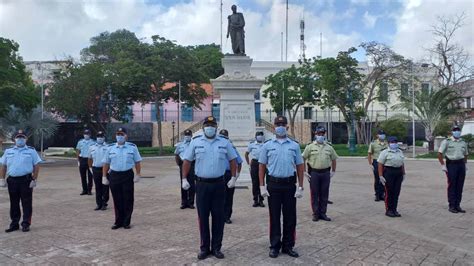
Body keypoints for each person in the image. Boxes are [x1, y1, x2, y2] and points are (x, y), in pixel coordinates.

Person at [181, 116, 237, 260]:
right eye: (207, 125)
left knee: (218, 218)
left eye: (212, 125)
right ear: (203, 127)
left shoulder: (224, 143)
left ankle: (217, 247)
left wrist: (233, 177)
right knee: (203, 217)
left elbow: (233, 160)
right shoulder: (196, 142)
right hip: (202, 185)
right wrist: (184, 179)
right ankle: (204, 248)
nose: (210, 127)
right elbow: (187, 161)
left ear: (216, 127)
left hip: (219, 185)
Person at [259, 115, 304, 258]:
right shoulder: (267, 145)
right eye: (278, 124)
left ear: (287, 127)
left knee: (290, 217)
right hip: (273, 185)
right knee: (274, 217)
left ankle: (288, 245)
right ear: (274, 127)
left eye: (283, 124)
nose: (280, 126)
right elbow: (261, 166)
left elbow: (300, 166)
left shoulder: (294, 145)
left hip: (290, 185)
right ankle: (274, 246)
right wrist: (262, 186)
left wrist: (301, 186)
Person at [0, 130, 41, 232]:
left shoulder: (31, 151)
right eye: (18, 137)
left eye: (22, 137)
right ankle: (14, 224)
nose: (20, 139)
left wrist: (34, 179)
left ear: (26, 139)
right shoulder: (8, 151)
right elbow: (3, 165)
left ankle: (26, 223)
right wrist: (2, 179)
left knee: (26, 203)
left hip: (26, 180)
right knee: (14, 203)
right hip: (12, 180)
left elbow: (36, 165)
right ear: (14, 139)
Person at [102, 127, 142, 230]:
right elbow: (106, 163)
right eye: (118, 134)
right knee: (117, 199)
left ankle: (126, 221)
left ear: (126, 136)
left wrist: (138, 174)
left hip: (127, 175)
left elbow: (137, 162)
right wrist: (104, 176)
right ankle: (118, 221)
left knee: (128, 198)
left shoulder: (132, 147)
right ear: (115, 135)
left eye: (122, 134)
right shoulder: (110, 148)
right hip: (114, 175)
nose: (119, 136)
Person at [302, 126, 338, 222]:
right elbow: (303, 158)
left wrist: (333, 171)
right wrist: (304, 171)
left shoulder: (329, 147)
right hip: (314, 173)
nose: (320, 136)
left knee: (324, 194)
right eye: (319, 134)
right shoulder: (310, 147)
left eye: (322, 134)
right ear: (315, 134)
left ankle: (323, 213)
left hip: (325, 173)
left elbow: (334, 159)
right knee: (314, 194)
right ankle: (315, 213)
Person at [438, 125, 468, 213]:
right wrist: (443, 165)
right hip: (451, 165)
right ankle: (451, 205)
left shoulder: (463, 142)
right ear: (452, 132)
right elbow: (440, 154)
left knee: (460, 185)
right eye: (455, 130)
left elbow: (466, 154)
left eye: (458, 130)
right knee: (452, 185)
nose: (457, 132)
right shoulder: (447, 142)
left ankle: (457, 205)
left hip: (461, 164)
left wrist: (465, 164)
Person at [218, 129, 242, 224]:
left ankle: (227, 216)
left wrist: (236, 175)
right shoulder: (216, 147)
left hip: (228, 174)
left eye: (225, 137)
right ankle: (219, 216)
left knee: (228, 197)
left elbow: (239, 162)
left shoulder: (232, 148)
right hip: (218, 175)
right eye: (221, 137)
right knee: (218, 197)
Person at [377, 136, 405, 218]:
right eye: (392, 142)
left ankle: (394, 209)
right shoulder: (384, 152)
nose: (394, 144)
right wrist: (381, 175)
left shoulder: (399, 151)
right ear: (388, 143)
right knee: (389, 192)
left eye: (395, 142)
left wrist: (403, 173)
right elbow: (380, 164)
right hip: (389, 172)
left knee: (396, 192)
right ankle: (388, 210)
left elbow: (402, 163)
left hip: (398, 172)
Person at [88, 131, 110, 211]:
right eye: (98, 136)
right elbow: (89, 159)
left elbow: (110, 159)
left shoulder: (108, 147)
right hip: (96, 169)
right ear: (96, 137)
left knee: (105, 187)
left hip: (105, 169)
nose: (100, 138)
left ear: (104, 137)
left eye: (101, 136)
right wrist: (90, 168)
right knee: (97, 187)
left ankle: (104, 203)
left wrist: (110, 169)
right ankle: (99, 204)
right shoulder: (92, 147)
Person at [174, 130, 195, 209]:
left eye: (189, 134)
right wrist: (179, 164)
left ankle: (191, 202)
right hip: (183, 164)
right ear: (184, 135)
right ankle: (184, 202)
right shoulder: (180, 145)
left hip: (192, 164)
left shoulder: (194, 144)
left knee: (192, 184)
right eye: (186, 135)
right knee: (183, 182)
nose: (187, 136)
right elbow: (176, 154)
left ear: (191, 135)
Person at [245, 131, 265, 207]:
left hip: (262, 164)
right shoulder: (252, 144)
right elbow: (246, 154)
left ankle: (261, 200)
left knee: (262, 181)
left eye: (261, 135)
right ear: (256, 136)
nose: (260, 136)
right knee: (255, 182)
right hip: (254, 163)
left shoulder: (265, 145)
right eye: (258, 135)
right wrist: (248, 163)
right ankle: (255, 200)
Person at [368, 129, 388, 202]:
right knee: (377, 179)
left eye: (383, 134)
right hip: (376, 162)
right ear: (377, 135)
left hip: (385, 163)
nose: (382, 135)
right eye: (380, 134)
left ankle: (382, 194)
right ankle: (377, 194)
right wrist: (370, 164)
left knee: (384, 178)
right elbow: (369, 154)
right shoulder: (373, 144)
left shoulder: (387, 143)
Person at [76, 129, 95, 195]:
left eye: (87, 134)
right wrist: (78, 160)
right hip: (82, 159)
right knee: (83, 176)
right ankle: (84, 190)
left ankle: (89, 190)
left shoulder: (93, 142)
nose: (86, 135)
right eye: (85, 134)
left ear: (90, 135)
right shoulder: (80, 142)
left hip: (90, 160)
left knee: (90, 176)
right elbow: (78, 151)